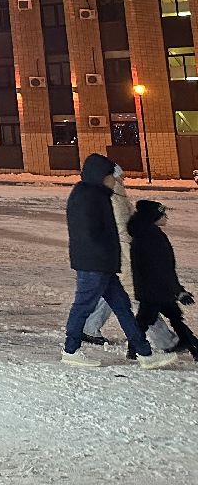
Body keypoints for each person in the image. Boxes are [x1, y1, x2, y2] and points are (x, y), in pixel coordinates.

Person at [61, 153, 176, 369]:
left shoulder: (96, 194)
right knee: (83, 306)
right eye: (111, 176)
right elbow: (89, 233)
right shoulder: (89, 196)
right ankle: (70, 349)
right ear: (100, 176)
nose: (114, 180)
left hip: (103, 264)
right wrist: (105, 255)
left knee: (123, 307)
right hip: (94, 264)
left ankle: (145, 354)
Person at [129, 200, 198, 361]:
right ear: (154, 217)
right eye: (163, 214)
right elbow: (163, 268)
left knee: (172, 318)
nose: (166, 217)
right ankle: (135, 349)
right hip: (156, 290)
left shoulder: (144, 234)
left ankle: (192, 347)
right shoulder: (152, 237)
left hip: (152, 288)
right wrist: (178, 290)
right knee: (148, 320)